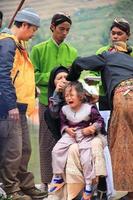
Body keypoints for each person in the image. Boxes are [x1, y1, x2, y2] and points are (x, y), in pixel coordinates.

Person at [67, 41, 133, 200]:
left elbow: (79, 62)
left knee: (123, 144)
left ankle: (131, 193)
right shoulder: (130, 60)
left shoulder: (108, 56)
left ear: (111, 50)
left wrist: (71, 80)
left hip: (125, 96)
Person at [0, 8, 47, 200]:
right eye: (33, 29)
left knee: (24, 150)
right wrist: (10, 105)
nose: (34, 33)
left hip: (21, 107)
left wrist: (32, 88)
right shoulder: (7, 43)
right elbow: (2, 76)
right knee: (12, 150)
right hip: (9, 108)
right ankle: (11, 189)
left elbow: (18, 74)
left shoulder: (18, 44)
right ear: (24, 25)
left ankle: (26, 186)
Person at [30, 12, 78, 193]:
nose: (64, 33)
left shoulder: (72, 51)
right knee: (46, 142)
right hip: (45, 102)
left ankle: (67, 180)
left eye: (67, 30)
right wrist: (52, 79)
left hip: (67, 104)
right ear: (52, 27)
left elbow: (75, 77)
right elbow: (32, 75)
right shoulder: (39, 50)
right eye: (61, 29)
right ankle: (45, 181)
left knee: (66, 142)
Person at [49, 81, 107, 200]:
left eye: (71, 95)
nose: (68, 98)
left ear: (80, 96)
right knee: (56, 151)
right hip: (70, 135)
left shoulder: (90, 108)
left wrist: (92, 128)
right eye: (66, 96)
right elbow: (63, 123)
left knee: (86, 159)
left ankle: (89, 186)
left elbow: (100, 121)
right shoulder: (64, 109)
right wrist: (66, 129)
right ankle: (58, 176)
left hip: (85, 135)